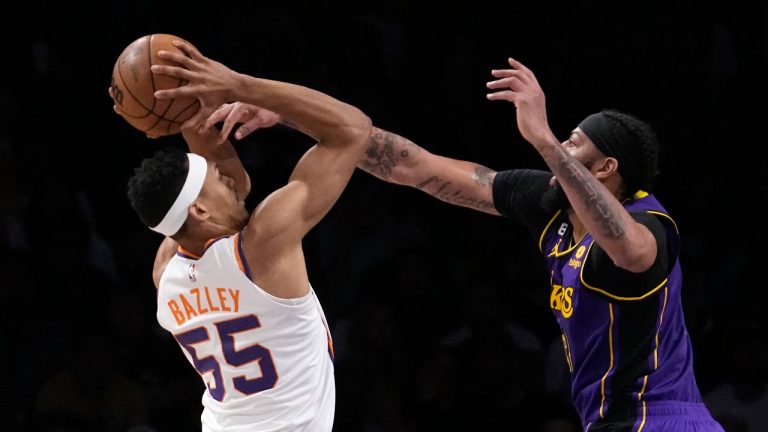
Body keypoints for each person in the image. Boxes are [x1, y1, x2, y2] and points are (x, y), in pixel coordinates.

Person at [217, 57, 723, 431]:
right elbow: (416, 166)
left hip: (660, 417)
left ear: (607, 168)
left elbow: (631, 254)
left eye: (574, 142)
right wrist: (284, 113)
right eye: (563, 140)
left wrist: (544, 140)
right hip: (609, 418)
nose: (561, 149)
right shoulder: (547, 204)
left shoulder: (649, 223)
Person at [111, 38, 371, 431]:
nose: (226, 176)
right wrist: (239, 85)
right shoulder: (261, 246)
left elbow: (230, 187)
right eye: (214, 178)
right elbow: (353, 129)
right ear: (199, 209)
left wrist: (183, 117)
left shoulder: (166, 273)